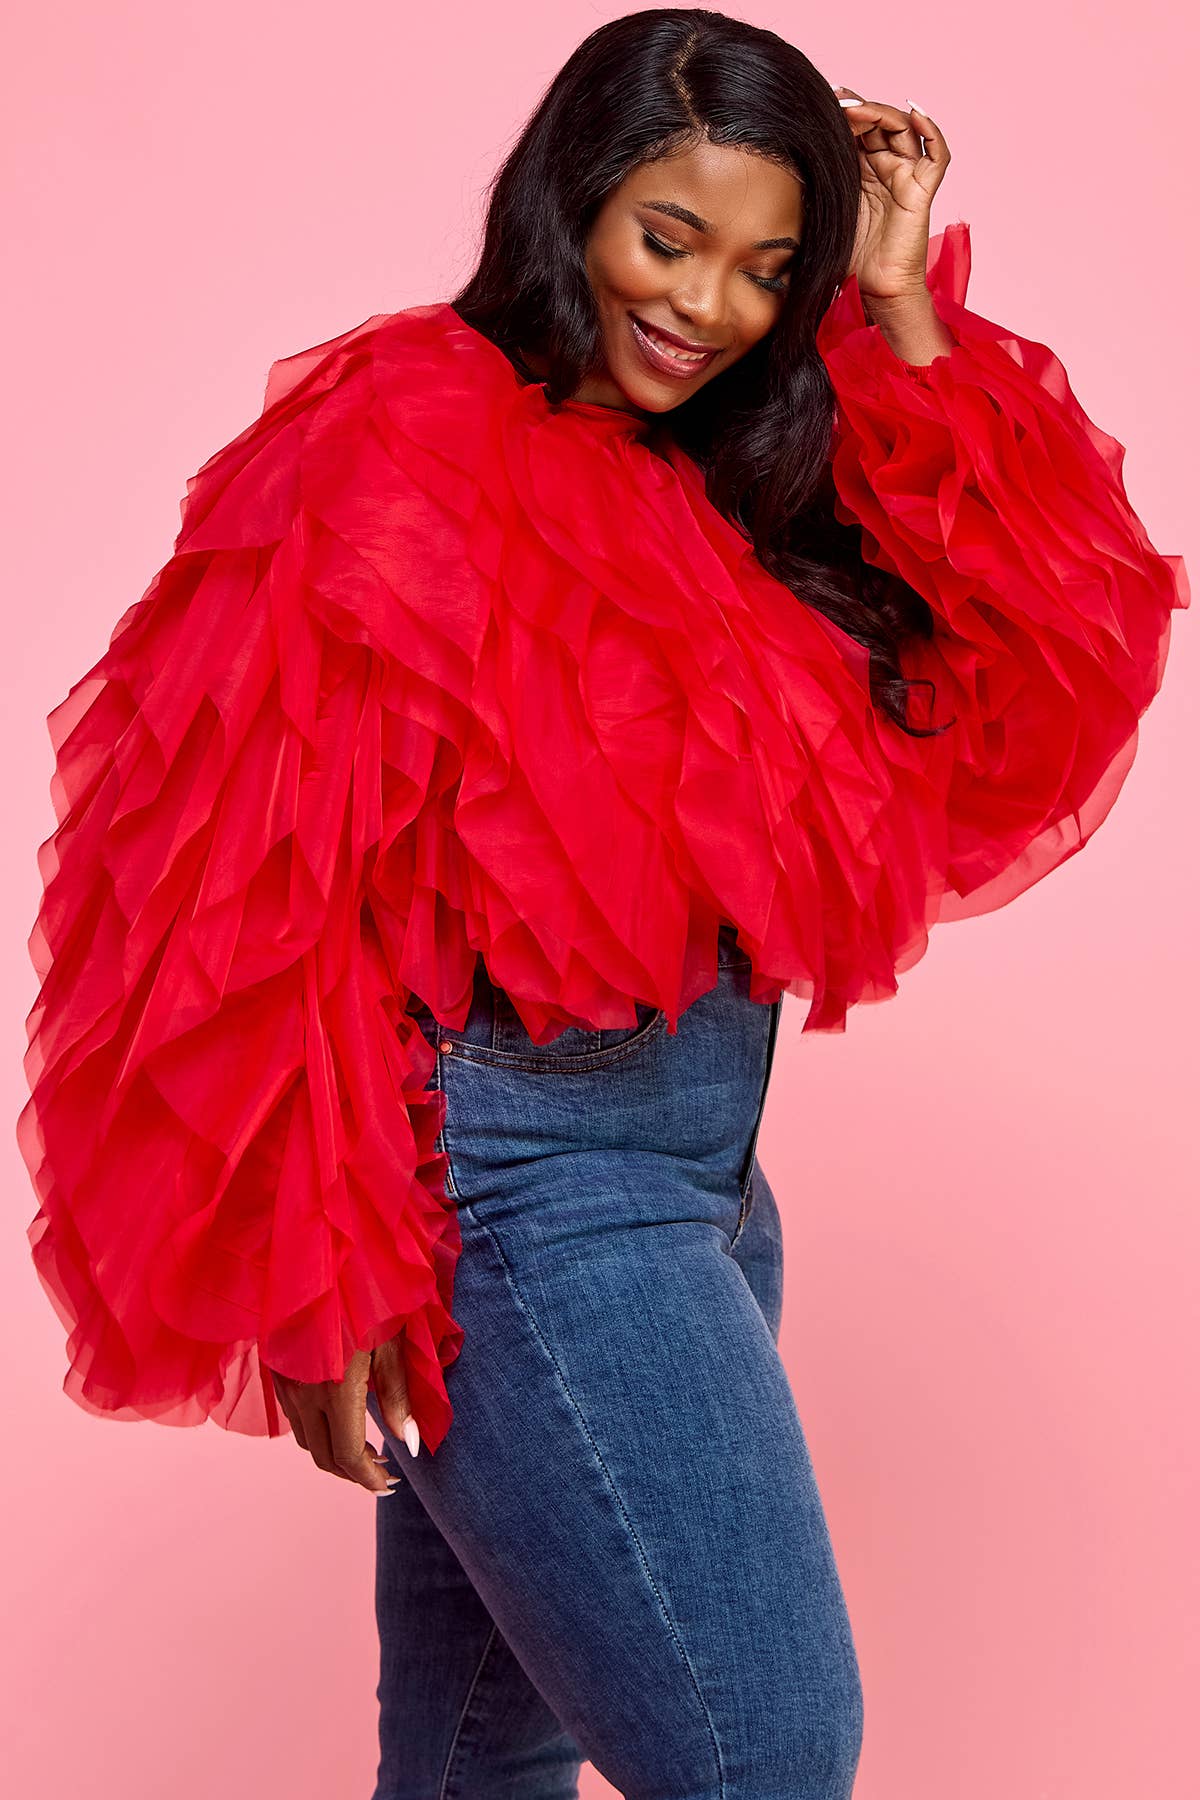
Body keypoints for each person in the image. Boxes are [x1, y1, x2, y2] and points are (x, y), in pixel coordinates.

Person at [16, 9, 1188, 1799]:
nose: (707, 306)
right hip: (522, 1195)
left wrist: (895, 309)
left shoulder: (750, 474)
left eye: (764, 269)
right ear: (574, 200)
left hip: (711, 1183)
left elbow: (1047, 673)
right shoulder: (397, 445)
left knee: (489, 1747)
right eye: (670, 236)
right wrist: (321, 1282)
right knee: (764, 1754)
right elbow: (245, 876)